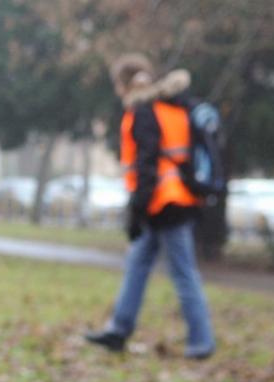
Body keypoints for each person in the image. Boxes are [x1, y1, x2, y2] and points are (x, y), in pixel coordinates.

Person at [85, 54, 216, 359]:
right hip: (170, 200)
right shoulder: (166, 106)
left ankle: (201, 341)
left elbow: (147, 166)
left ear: (125, 83)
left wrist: (138, 209)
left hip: (166, 202)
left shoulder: (144, 111)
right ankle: (119, 329)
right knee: (138, 264)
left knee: (183, 273)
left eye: (117, 84)